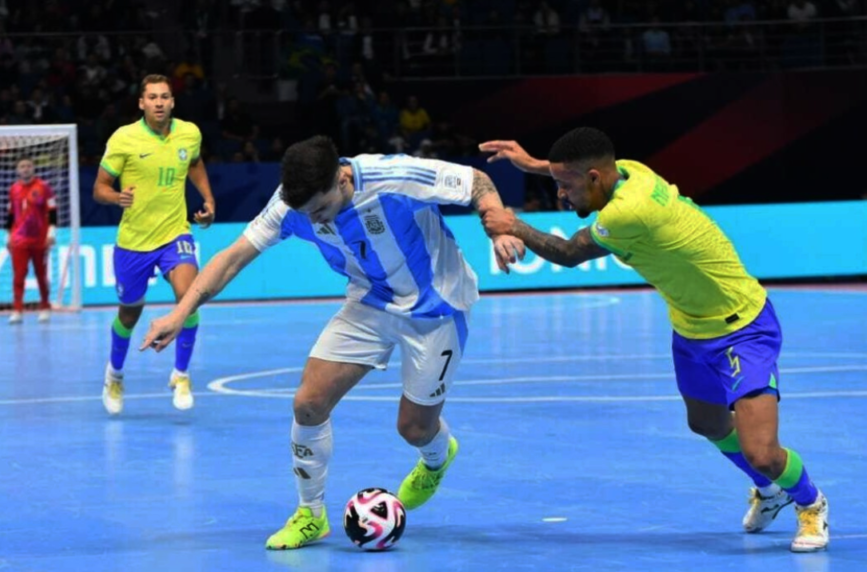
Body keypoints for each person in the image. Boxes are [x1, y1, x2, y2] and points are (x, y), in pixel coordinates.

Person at [140, 136, 525, 549]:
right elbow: (233, 257)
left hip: (438, 306)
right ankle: (310, 515)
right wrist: (181, 312)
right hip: (371, 300)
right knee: (308, 403)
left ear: (342, 180)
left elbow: (477, 182)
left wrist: (499, 228)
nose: (316, 220)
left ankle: (436, 456)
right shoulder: (291, 205)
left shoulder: (392, 176)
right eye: (308, 214)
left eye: (321, 209)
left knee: (414, 428)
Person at [478, 127, 828, 553]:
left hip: (742, 328)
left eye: (564, 185)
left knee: (763, 452)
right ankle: (768, 491)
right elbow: (591, 173)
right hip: (691, 327)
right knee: (707, 423)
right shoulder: (630, 170)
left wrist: (512, 223)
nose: (562, 196)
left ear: (593, 178)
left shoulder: (628, 213)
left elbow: (569, 253)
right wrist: (532, 163)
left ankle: (810, 503)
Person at [93, 74, 216, 415]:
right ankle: (115, 374)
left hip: (175, 233)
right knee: (129, 314)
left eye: (165, 96)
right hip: (133, 242)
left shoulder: (189, 133)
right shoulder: (124, 138)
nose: (159, 102)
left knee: (188, 299)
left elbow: (194, 163)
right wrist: (117, 196)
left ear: (172, 101)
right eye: (152, 97)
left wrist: (207, 198)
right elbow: (99, 187)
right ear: (141, 103)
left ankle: (180, 374)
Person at [6, 156, 56, 324]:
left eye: (28, 165)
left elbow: (53, 211)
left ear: (33, 168)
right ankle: (17, 310)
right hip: (19, 240)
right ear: (17, 170)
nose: (25, 168)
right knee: (18, 276)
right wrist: (8, 236)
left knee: (41, 275)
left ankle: (44, 307)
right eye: (22, 166)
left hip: (39, 239)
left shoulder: (44, 187)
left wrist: (52, 233)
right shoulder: (13, 189)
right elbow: (10, 214)